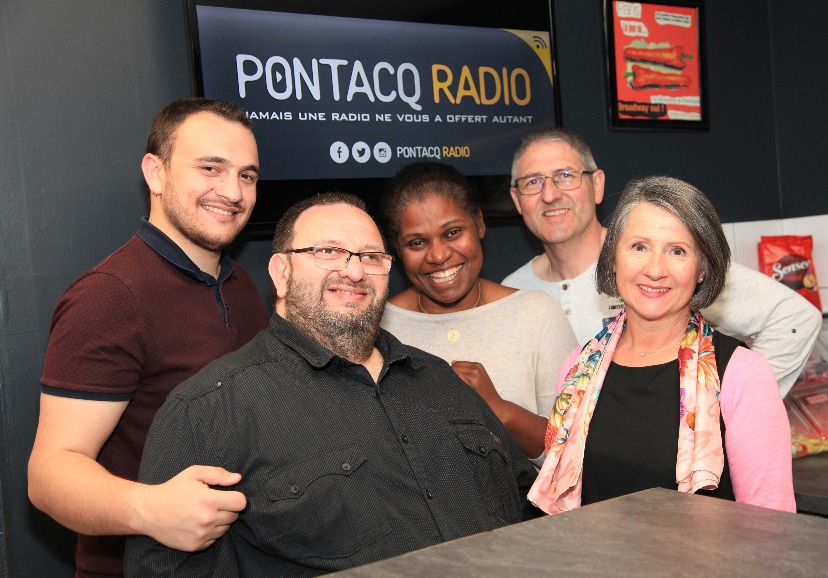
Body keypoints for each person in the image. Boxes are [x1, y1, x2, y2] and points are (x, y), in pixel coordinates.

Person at [124, 193, 540, 576]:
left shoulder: (440, 380)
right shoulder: (209, 411)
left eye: (371, 256)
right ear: (281, 273)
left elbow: (531, 513)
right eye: (328, 252)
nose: (355, 271)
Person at [28, 98, 270, 577]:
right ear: (155, 174)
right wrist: (152, 509)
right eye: (210, 168)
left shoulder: (240, 284)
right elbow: (49, 474)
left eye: (247, 175)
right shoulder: (109, 296)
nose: (233, 191)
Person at [528, 176, 796, 513]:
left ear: (702, 269)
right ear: (613, 258)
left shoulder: (742, 374)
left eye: (677, 251)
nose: (655, 270)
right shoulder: (578, 368)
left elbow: (770, 521)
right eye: (639, 247)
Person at [503, 128, 821, 397]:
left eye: (565, 176)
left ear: (597, 185)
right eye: (533, 182)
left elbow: (793, 318)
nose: (550, 195)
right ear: (517, 200)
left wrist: (722, 408)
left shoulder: (657, 268)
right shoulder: (512, 293)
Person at [379, 162, 578, 459]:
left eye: (452, 232)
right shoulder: (378, 329)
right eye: (417, 242)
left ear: (479, 225)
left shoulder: (537, 314)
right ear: (397, 249)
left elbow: (576, 450)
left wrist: (499, 411)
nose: (438, 255)